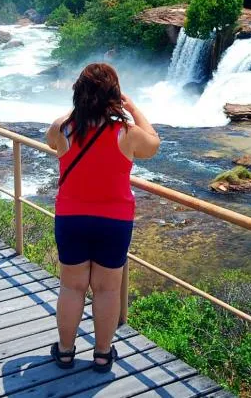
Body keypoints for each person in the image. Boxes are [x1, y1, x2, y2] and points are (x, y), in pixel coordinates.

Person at [44, 63, 160, 373]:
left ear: (78, 94)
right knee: (107, 289)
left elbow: (50, 141)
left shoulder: (63, 127)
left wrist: (78, 113)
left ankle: (66, 352)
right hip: (114, 221)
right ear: (114, 96)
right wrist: (131, 107)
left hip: (71, 218)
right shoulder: (127, 133)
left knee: (72, 287)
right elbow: (154, 143)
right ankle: (102, 354)